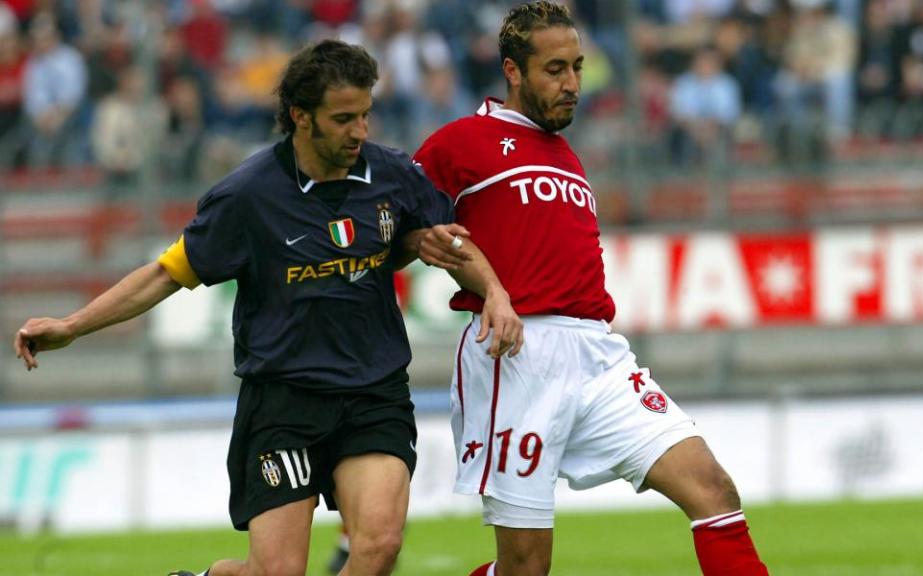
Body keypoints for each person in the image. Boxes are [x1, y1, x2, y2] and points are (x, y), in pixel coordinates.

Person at [13, 40, 521, 576]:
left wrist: (494, 293)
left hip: (374, 393)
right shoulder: (247, 197)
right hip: (285, 403)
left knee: (379, 545)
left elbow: (448, 241)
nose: (360, 132)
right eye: (344, 118)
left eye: (366, 115)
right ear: (301, 117)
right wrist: (72, 325)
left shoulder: (393, 176)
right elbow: (164, 275)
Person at [412, 3, 769, 575]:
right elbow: (409, 227)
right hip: (518, 356)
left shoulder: (564, 153)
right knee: (526, 567)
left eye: (577, 67)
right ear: (512, 71)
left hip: (599, 355)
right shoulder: (464, 142)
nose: (572, 84)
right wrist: (474, 274)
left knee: (712, 490)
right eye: (555, 69)